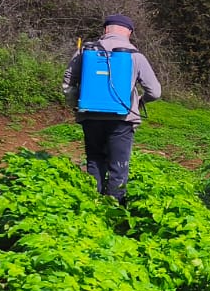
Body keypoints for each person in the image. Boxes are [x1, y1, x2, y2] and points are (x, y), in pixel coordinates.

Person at [61, 14, 162, 202]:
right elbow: (155, 91)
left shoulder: (85, 52)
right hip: (122, 119)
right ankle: (114, 210)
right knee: (119, 166)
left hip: (90, 116)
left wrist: (76, 104)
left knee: (94, 160)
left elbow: (68, 82)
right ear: (129, 33)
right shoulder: (135, 56)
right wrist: (139, 102)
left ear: (105, 29)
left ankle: (92, 204)